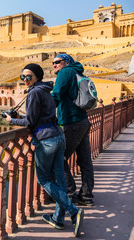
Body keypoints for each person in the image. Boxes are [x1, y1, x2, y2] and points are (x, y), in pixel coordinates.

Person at [6, 63, 84, 237]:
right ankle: (58, 218)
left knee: (43, 179)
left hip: (46, 140)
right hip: (58, 136)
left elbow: (31, 122)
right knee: (59, 180)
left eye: (29, 77)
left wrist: (12, 121)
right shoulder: (46, 90)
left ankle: (73, 211)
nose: (25, 80)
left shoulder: (34, 92)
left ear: (37, 77)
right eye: (23, 77)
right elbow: (39, 117)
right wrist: (20, 117)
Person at [51, 54, 95, 206]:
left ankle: (69, 195)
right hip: (83, 121)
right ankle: (86, 197)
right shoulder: (77, 72)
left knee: (58, 158)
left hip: (72, 121)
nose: (54, 65)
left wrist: (44, 113)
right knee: (85, 161)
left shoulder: (66, 72)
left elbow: (56, 95)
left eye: (57, 62)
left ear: (66, 62)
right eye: (53, 63)